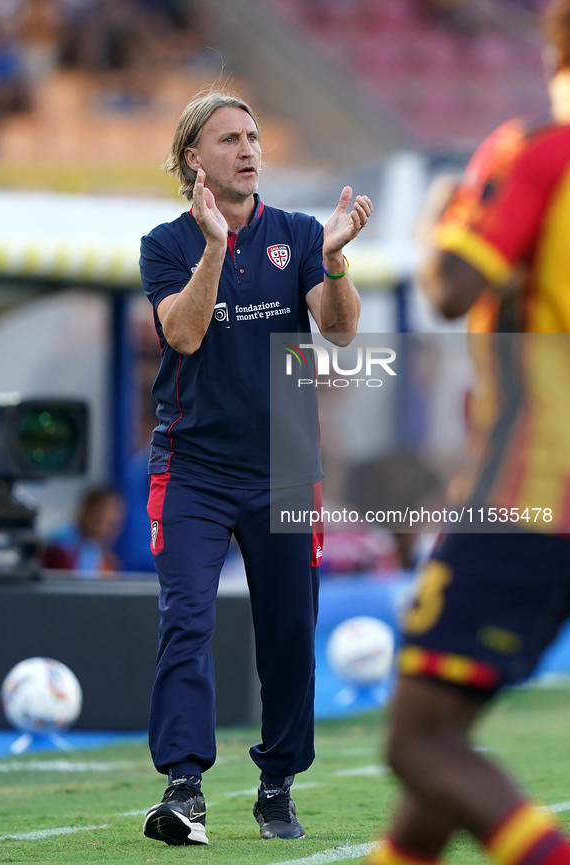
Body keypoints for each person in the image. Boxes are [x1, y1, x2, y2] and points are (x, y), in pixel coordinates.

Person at [138, 89, 372, 846]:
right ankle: (184, 787)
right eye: (229, 138)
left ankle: (277, 782)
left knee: (289, 630)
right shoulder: (166, 243)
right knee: (187, 620)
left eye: (253, 135)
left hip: (283, 469)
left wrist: (334, 261)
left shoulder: (301, 233)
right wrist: (213, 248)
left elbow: (338, 333)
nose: (247, 148)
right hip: (193, 468)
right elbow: (183, 334)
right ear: (192, 159)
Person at [365, 3, 570, 865]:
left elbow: (448, 288)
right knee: (434, 770)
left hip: (531, 494)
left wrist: (435, 223)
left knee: (419, 742)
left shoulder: (538, 152)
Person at [42, 486, 125, 575]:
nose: (104, 528)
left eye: (112, 524)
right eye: (99, 518)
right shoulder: (59, 548)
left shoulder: (102, 557)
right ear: (85, 509)